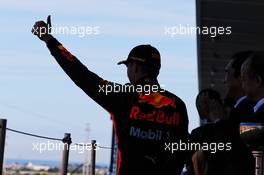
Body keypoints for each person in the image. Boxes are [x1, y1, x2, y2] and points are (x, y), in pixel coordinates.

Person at [31, 16, 189, 175]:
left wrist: (48, 39)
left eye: (127, 66)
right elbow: (183, 151)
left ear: (134, 66)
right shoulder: (178, 105)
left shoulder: (122, 96)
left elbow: (81, 75)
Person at [189, 89, 254, 175]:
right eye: (202, 105)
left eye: (207, 103)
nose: (206, 107)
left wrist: (217, 120)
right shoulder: (198, 135)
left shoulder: (236, 123)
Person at [223, 51, 255, 123]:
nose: (224, 81)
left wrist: (217, 119)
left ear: (242, 77)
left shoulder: (247, 111)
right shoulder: (238, 108)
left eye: (227, 72)